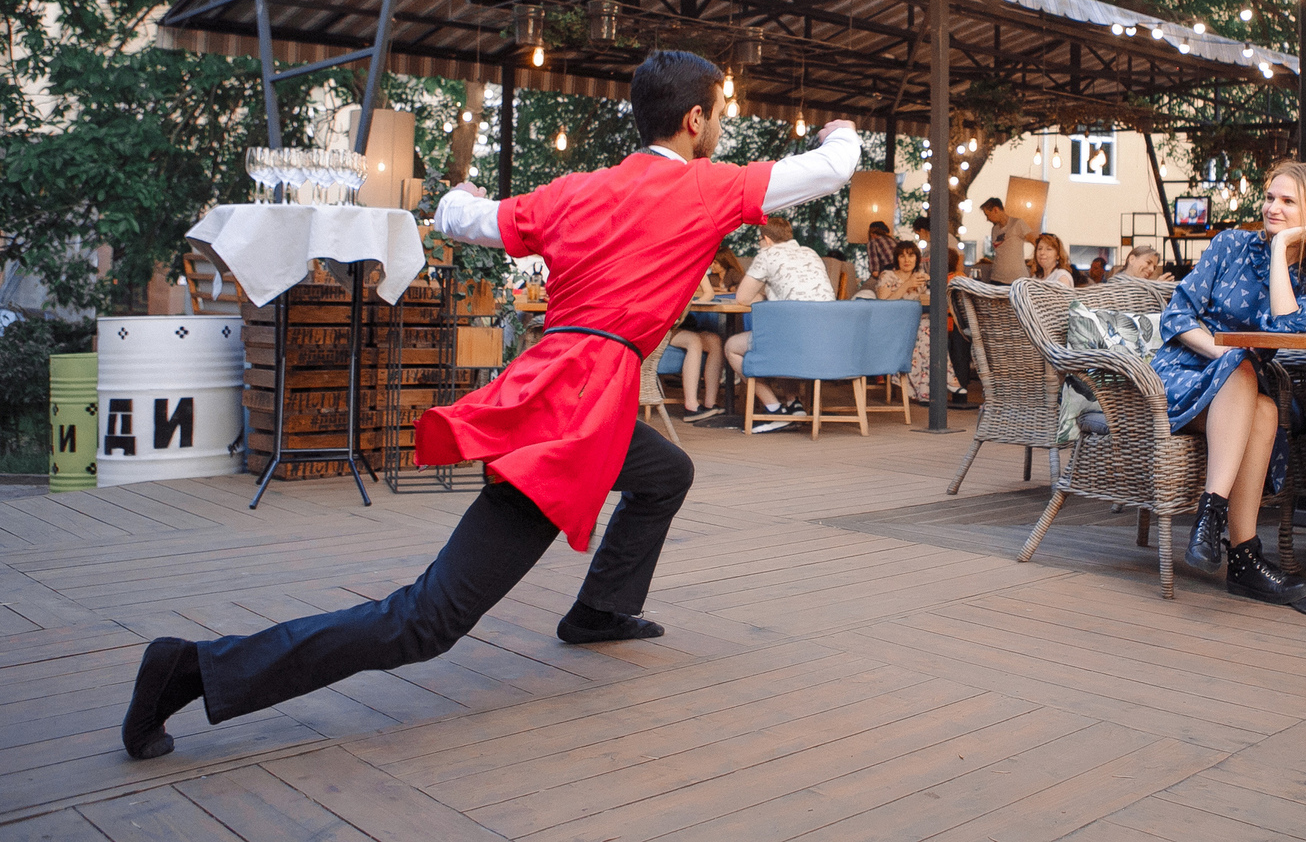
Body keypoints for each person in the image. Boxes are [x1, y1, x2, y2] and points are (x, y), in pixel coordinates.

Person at [119, 51, 860, 761]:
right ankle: (193, 669)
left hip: (554, 388)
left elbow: (458, 218)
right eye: (721, 113)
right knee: (426, 620)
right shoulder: (706, 188)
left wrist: (466, 195)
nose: (722, 126)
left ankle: (599, 610)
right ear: (695, 120)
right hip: (573, 416)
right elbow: (832, 169)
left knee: (665, 472)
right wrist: (841, 131)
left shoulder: (574, 191)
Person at [1154, 161, 1306, 604]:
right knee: (1242, 370)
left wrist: (1280, 250)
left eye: (1287, 201)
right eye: (1269, 197)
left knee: (1264, 409)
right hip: (1183, 371)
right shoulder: (1230, 245)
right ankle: (1223, 531)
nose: (1272, 208)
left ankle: (1233, 548)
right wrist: (1223, 355)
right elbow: (1177, 315)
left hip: (1240, 393)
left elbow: (1284, 331)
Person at [724, 215, 837, 429]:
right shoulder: (810, 253)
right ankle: (794, 403)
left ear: (766, 239)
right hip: (825, 339)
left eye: (759, 240)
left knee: (732, 347)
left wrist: (762, 295)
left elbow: (742, 298)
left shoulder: (767, 254)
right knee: (781, 337)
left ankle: (774, 409)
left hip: (793, 339)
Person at [874, 242, 961, 404]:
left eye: (911, 255)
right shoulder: (887, 276)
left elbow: (928, 300)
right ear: (896, 259)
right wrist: (906, 285)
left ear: (917, 258)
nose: (907, 260)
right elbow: (883, 304)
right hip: (892, 326)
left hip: (916, 324)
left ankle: (927, 390)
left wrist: (932, 283)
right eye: (902, 256)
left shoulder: (920, 276)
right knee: (926, 330)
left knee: (930, 329)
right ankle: (948, 380)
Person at [669, 272, 725, 420]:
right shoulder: (665, 265)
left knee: (714, 341)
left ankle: (710, 403)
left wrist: (696, 302)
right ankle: (691, 406)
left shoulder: (696, 266)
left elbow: (709, 293)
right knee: (693, 341)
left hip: (684, 322)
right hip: (665, 325)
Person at [981, 198, 1033, 284]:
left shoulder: (1017, 223)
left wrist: (1035, 262)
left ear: (995, 210)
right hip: (996, 277)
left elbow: (1035, 241)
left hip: (1016, 278)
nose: (987, 219)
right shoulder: (994, 229)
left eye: (988, 215)